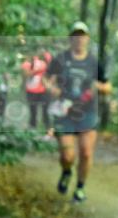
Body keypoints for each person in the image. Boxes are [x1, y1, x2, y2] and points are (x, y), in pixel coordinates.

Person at [46, 21, 112, 203]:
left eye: (82, 35)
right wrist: (52, 89)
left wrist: (98, 86)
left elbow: (108, 86)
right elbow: (47, 80)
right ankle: (66, 171)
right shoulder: (60, 59)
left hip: (87, 113)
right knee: (67, 155)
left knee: (86, 153)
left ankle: (80, 187)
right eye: (76, 35)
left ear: (87, 39)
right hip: (64, 112)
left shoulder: (93, 62)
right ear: (70, 38)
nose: (79, 39)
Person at [21, 48, 52, 130]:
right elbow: (26, 74)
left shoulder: (47, 57)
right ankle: (32, 131)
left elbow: (52, 70)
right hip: (31, 91)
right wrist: (38, 71)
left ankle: (48, 131)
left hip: (44, 90)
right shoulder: (28, 61)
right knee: (33, 112)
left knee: (46, 112)